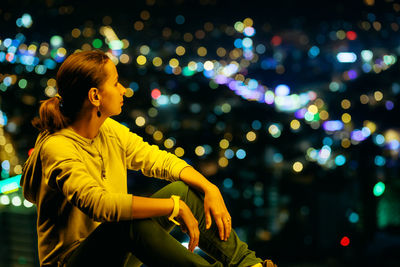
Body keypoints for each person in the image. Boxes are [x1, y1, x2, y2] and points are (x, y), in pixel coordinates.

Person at [21, 50, 277, 267]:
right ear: (95, 96)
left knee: (183, 189)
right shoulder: (57, 148)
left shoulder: (108, 130)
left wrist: (208, 187)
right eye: (115, 83)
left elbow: (159, 160)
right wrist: (172, 207)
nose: (123, 89)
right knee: (130, 224)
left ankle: (248, 264)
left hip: (117, 254)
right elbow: (99, 205)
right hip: (74, 261)